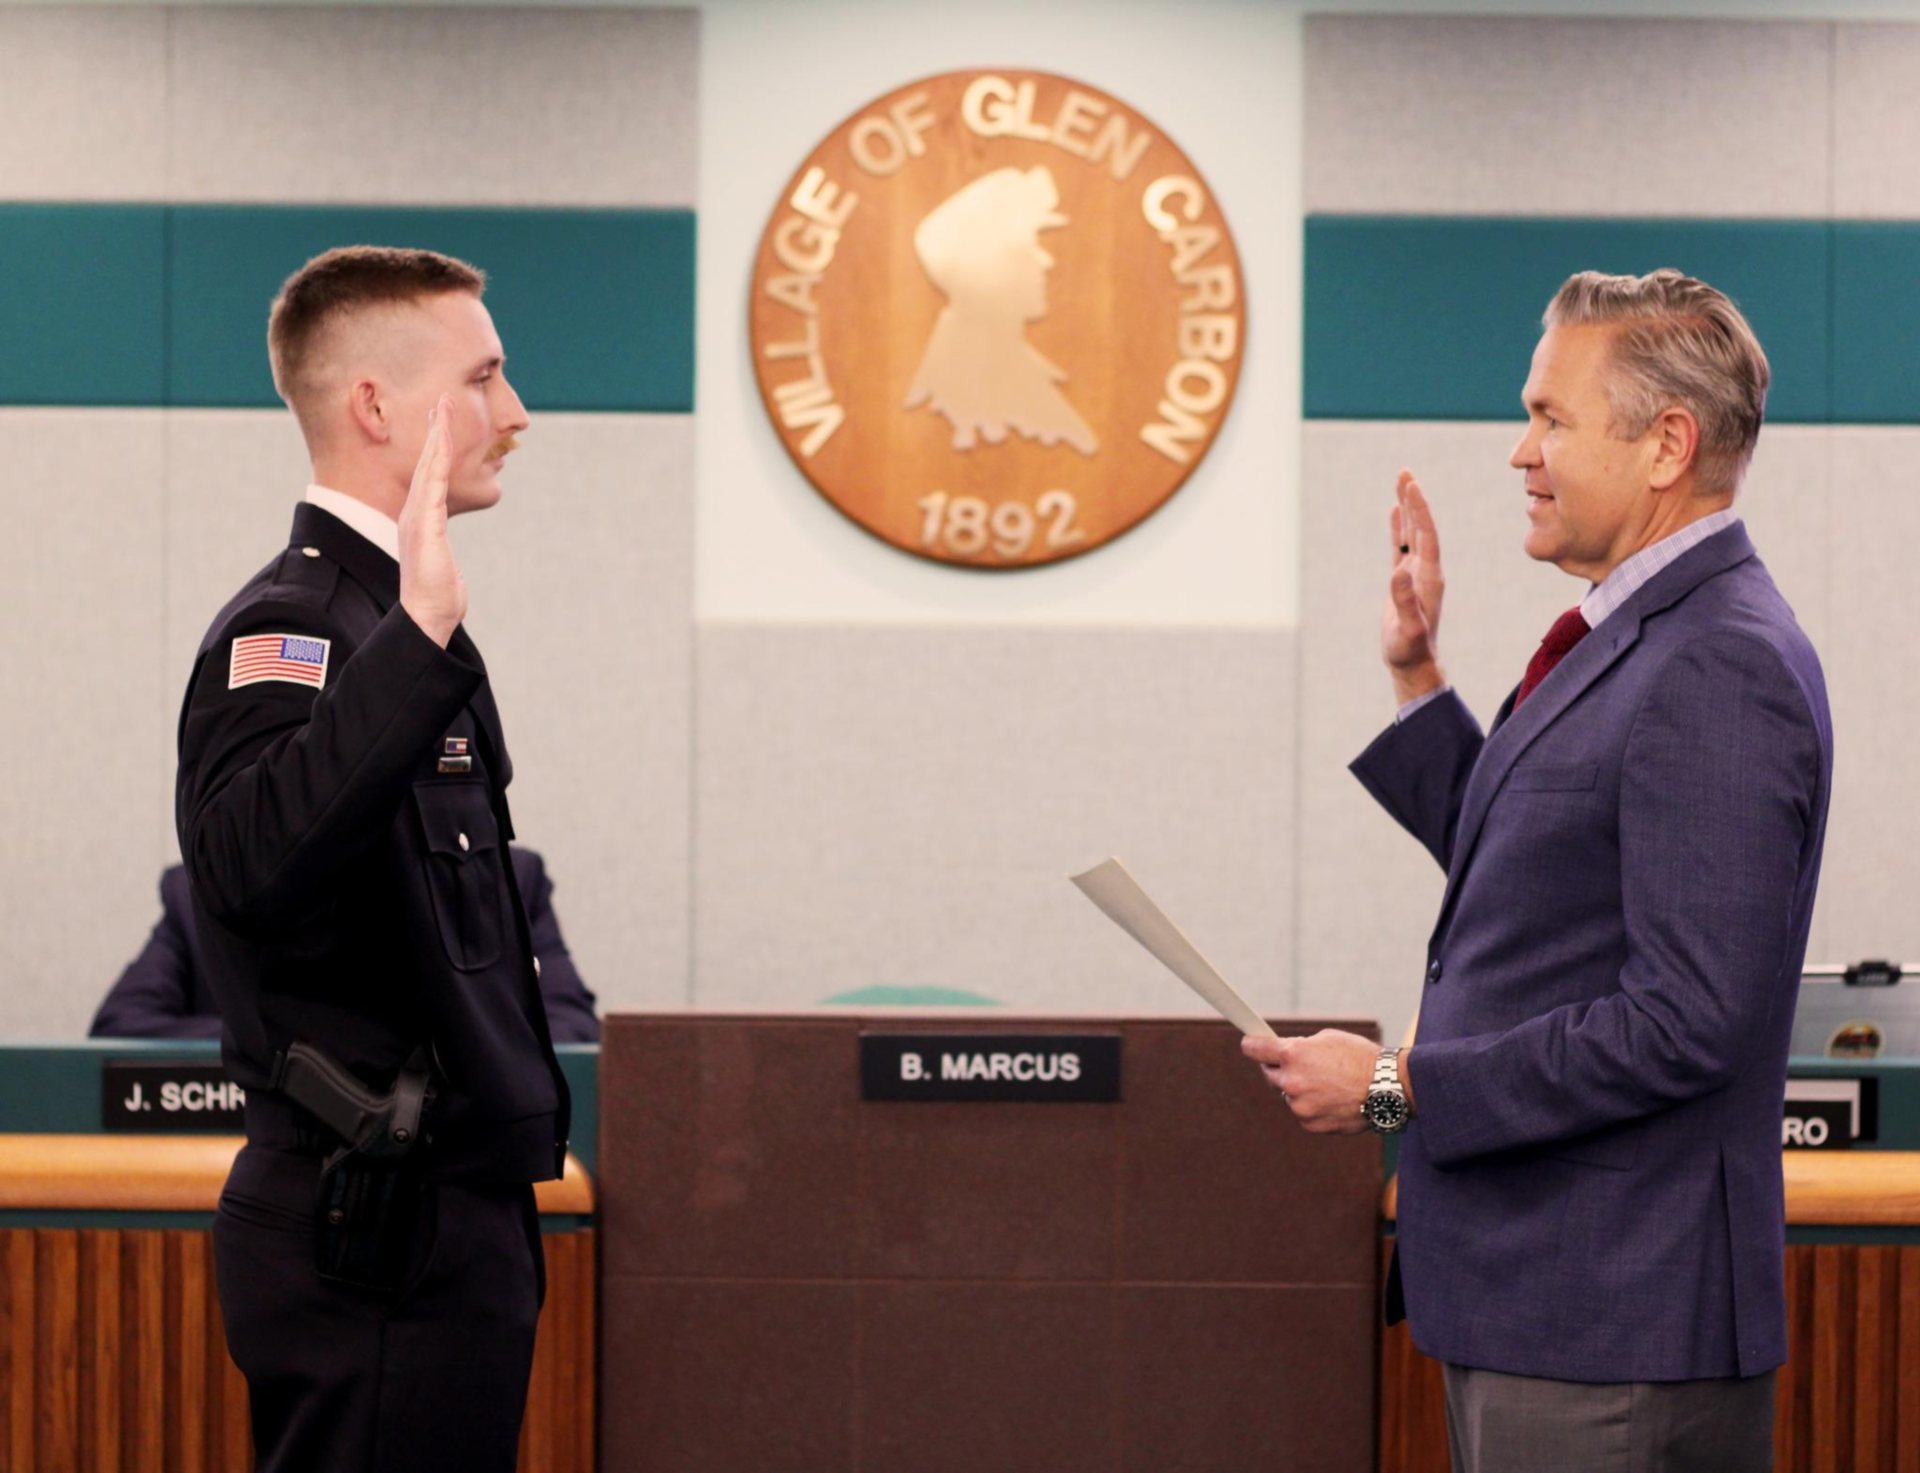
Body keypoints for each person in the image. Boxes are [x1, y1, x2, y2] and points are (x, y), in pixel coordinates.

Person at [1243, 269, 1831, 1471]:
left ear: (1668, 444)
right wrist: (1420, 676)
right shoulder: (1638, 637)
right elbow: (1527, 859)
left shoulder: (1717, 665)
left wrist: (1399, 1088)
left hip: (1615, 1326)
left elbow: (1685, 1022)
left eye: (1552, 418)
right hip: (1543, 1305)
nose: (1520, 452)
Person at [174, 245, 568, 1472]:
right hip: (368, 1234)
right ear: (377, 406)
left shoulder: (388, 619)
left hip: (446, 1222)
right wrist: (419, 640)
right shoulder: (296, 627)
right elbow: (249, 867)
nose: (516, 415)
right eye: (486, 378)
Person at [91, 852, 601, 1042]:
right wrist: (311, 1047)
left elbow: (573, 1030)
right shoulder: (204, 891)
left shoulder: (509, 881)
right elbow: (122, 1028)